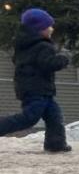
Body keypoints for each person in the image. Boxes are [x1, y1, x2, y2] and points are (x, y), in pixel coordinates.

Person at [0, 8, 71, 152]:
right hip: (37, 89)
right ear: (39, 29)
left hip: (36, 88)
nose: (51, 29)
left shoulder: (25, 45)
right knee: (29, 118)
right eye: (48, 26)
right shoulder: (43, 46)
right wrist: (63, 59)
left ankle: (55, 144)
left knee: (54, 117)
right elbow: (48, 64)